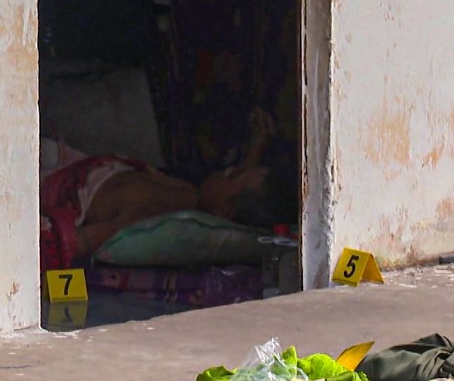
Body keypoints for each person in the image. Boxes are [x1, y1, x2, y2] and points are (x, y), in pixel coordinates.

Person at [40, 108, 294, 270]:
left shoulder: (155, 214)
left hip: (52, 189)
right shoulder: (192, 192)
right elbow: (234, 191)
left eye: (234, 175)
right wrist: (256, 148)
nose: (229, 169)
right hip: (73, 166)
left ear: (225, 212)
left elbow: (81, 241)